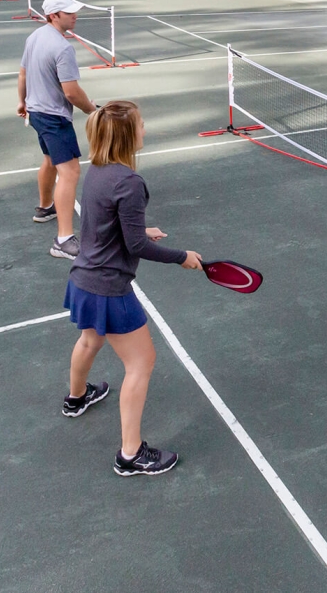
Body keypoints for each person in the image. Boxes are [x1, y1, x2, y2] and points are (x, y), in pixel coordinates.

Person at [61, 100, 203, 476]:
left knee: (90, 341)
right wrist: (181, 256)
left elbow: (107, 225)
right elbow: (136, 246)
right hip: (109, 288)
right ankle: (130, 454)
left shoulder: (98, 170)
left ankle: (76, 399)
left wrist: (140, 231)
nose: (145, 129)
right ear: (128, 135)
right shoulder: (130, 182)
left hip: (82, 280)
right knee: (141, 362)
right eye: (141, 124)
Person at [17, 0, 98, 259]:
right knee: (71, 172)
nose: (75, 16)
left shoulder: (35, 36)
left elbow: (23, 73)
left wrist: (22, 102)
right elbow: (72, 92)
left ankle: (45, 208)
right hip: (53, 117)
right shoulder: (63, 48)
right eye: (69, 12)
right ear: (54, 16)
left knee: (50, 159)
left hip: (36, 111)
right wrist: (91, 110)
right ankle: (63, 240)